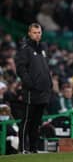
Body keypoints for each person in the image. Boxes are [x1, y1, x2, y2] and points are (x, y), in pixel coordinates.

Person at [15, 23, 52, 153]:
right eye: (35, 32)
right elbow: (20, 68)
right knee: (26, 121)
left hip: (44, 91)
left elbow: (46, 68)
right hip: (31, 92)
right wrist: (29, 83)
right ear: (29, 33)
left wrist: (49, 84)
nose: (37, 35)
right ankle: (23, 148)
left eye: (39, 32)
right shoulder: (25, 49)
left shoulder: (43, 48)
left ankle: (33, 149)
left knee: (36, 122)